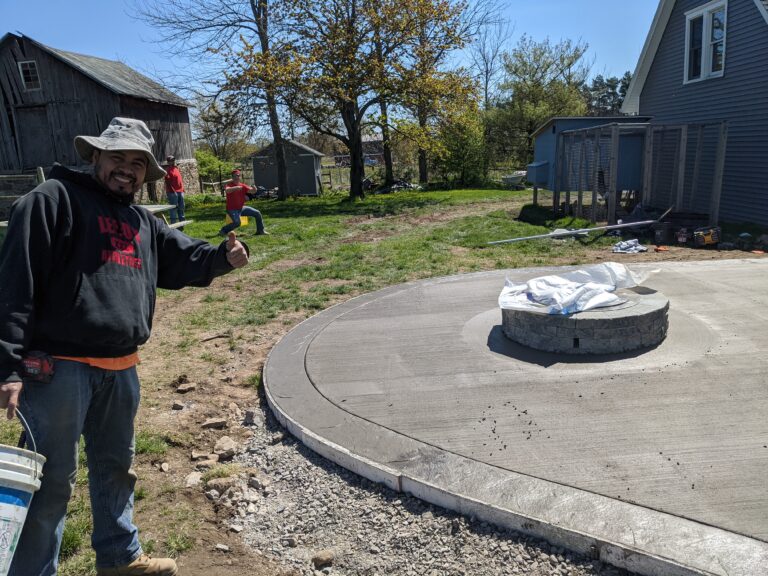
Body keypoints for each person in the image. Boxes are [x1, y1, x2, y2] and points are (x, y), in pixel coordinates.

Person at [0, 117, 249, 576]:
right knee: (51, 481)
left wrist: (221, 257)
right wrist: (9, 366)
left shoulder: (139, 219)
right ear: (96, 155)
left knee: (116, 467)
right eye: (118, 158)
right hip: (58, 369)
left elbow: (179, 258)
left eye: (138, 163)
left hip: (121, 366)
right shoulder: (52, 201)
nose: (127, 170)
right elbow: (16, 282)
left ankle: (119, 557)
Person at [218, 169, 268, 236]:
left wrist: (254, 189)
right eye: (236, 176)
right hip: (232, 209)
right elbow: (227, 191)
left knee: (257, 213)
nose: (237, 177)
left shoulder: (243, 185)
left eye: (238, 176)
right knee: (237, 223)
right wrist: (236, 188)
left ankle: (260, 231)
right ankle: (223, 230)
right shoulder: (229, 185)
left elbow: (252, 191)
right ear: (232, 177)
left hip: (241, 208)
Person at [163, 154, 185, 226]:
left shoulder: (176, 168)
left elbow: (180, 180)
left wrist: (182, 189)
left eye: (173, 160)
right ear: (168, 162)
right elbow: (167, 182)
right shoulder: (168, 170)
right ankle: (174, 225)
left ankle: (182, 223)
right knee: (173, 208)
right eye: (170, 161)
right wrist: (173, 191)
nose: (172, 161)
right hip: (172, 192)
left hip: (180, 191)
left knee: (181, 207)